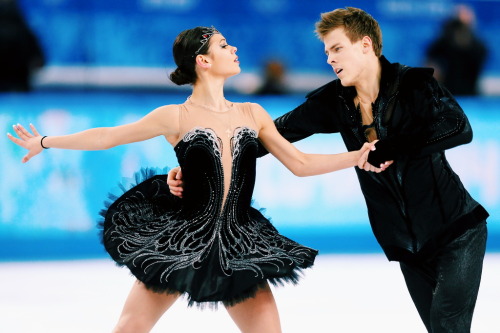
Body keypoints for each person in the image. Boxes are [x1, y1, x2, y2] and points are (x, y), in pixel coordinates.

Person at [7, 26, 388, 333]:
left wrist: (356, 157)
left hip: (240, 241)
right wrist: (45, 140)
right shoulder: (174, 116)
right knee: (130, 328)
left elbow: (301, 164)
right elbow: (107, 136)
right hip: (185, 239)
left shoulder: (253, 113)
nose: (234, 47)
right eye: (224, 45)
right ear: (203, 61)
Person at [167, 9, 490, 333]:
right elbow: (265, 139)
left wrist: (396, 146)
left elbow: (458, 127)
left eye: (337, 49)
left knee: (448, 327)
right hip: (407, 245)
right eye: (326, 52)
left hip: (457, 231)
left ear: (365, 45)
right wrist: (196, 165)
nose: (330, 59)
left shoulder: (414, 85)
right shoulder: (334, 100)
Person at [425, 4, 488, 96]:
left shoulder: (478, 47)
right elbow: (429, 62)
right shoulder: (442, 44)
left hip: (470, 94)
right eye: (457, 26)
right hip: (446, 94)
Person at [0, 0, 45, 92]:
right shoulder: (24, 30)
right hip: (20, 88)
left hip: (19, 87)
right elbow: (39, 61)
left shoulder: (23, 31)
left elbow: (39, 60)